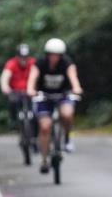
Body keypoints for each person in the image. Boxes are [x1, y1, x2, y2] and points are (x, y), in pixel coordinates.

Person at [26, 38, 83, 174]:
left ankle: (67, 139)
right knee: (45, 127)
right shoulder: (40, 64)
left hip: (62, 95)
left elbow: (73, 78)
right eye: (51, 54)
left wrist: (76, 88)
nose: (54, 57)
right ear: (47, 54)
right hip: (44, 97)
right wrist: (30, 90)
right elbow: (32, 79)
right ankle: (45, 159)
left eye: (57, 55)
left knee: (67, 114)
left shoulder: (67, 63)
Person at [0, 44, 35, 130]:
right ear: (17, 56)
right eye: (21, 57)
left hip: (31, 92)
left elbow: (39, 75)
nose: (23, 59)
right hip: (16, 92)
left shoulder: (33, 63)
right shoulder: (11, 63)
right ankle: (14, 120)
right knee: (12, 101)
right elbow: (5, 77)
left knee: (36, 108)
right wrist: (5, 88)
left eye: (25, 57)